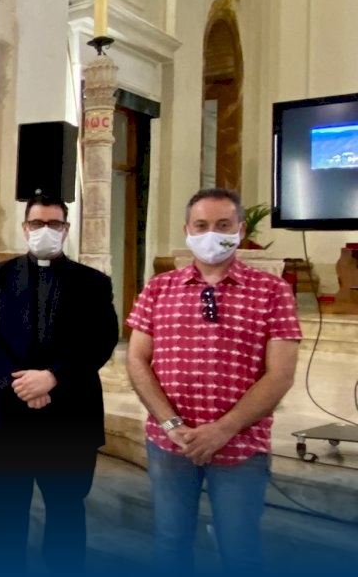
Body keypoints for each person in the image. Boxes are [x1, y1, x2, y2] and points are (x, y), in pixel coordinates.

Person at [125, 188, 301, 573]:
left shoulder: (272, 291)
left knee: (240, 550)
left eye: (223, 225)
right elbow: (137, 359)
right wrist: (171, 424)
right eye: (201, 225)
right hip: (171, 443)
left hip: (240, 445)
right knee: (171, 543)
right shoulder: (159, 288)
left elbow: (280, 374)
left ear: (240, 229)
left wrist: (223, 429)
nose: (211, 234)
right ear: (187, 230)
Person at [0, 194, 119, 573]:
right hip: (8, 410)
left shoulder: (93, 282)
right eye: (37, 224)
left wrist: (53, 377)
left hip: (70, 414)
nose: (45, 230)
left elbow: (101, 340)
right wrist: (22, 384)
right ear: (25, 228)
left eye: (54, 224)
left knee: (66, 505)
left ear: (66, 229)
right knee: (7, 503)